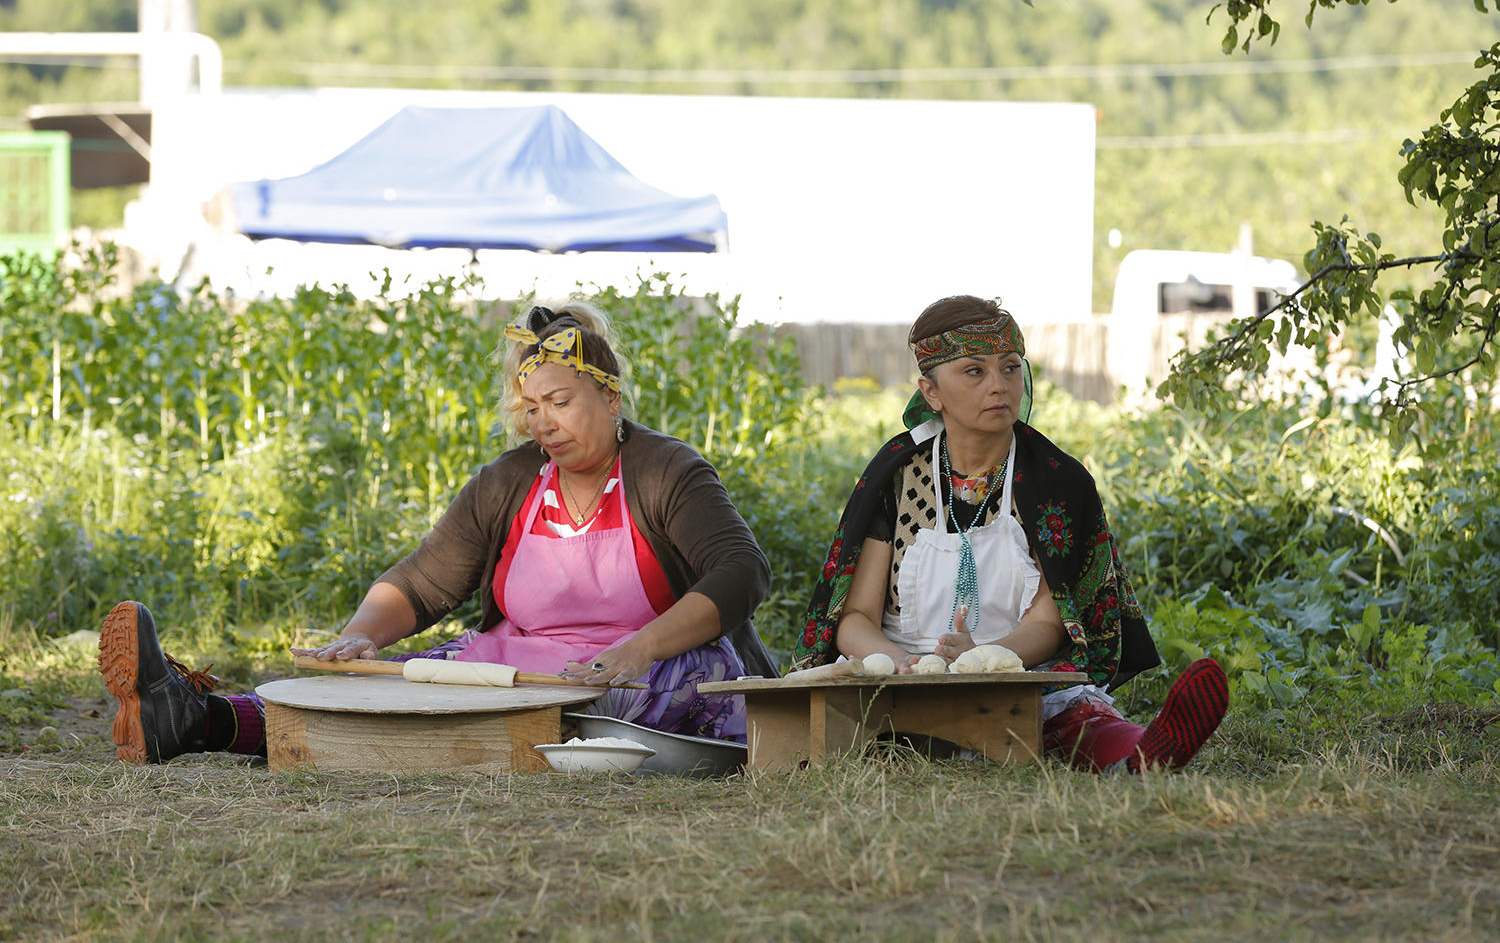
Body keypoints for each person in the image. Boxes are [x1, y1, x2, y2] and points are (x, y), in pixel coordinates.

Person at [100, 302, 777, 764]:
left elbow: (741, 571)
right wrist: (364, 632)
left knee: (571, 707)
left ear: (611, 398)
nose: (544, 423)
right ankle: (195, 721)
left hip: (651, 667)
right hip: (517, 665)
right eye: (531, 408)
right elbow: (424, 582)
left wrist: (636, 650)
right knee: (386, 691)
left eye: (562, 403)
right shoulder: (510, 480)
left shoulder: (666, 470)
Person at [790, 295, 1228, 773]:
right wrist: (903, 666)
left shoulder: (1058, 481)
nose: (1000, 386)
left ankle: (1143, 754)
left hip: (1017, 673)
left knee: (1077, 720)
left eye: (1011, 368)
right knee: (866, 728)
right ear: (931, 392)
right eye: (974, 371)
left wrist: (986, 660)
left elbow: (1047, 623)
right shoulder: (894, 478)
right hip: (902, 679)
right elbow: (854, 618)